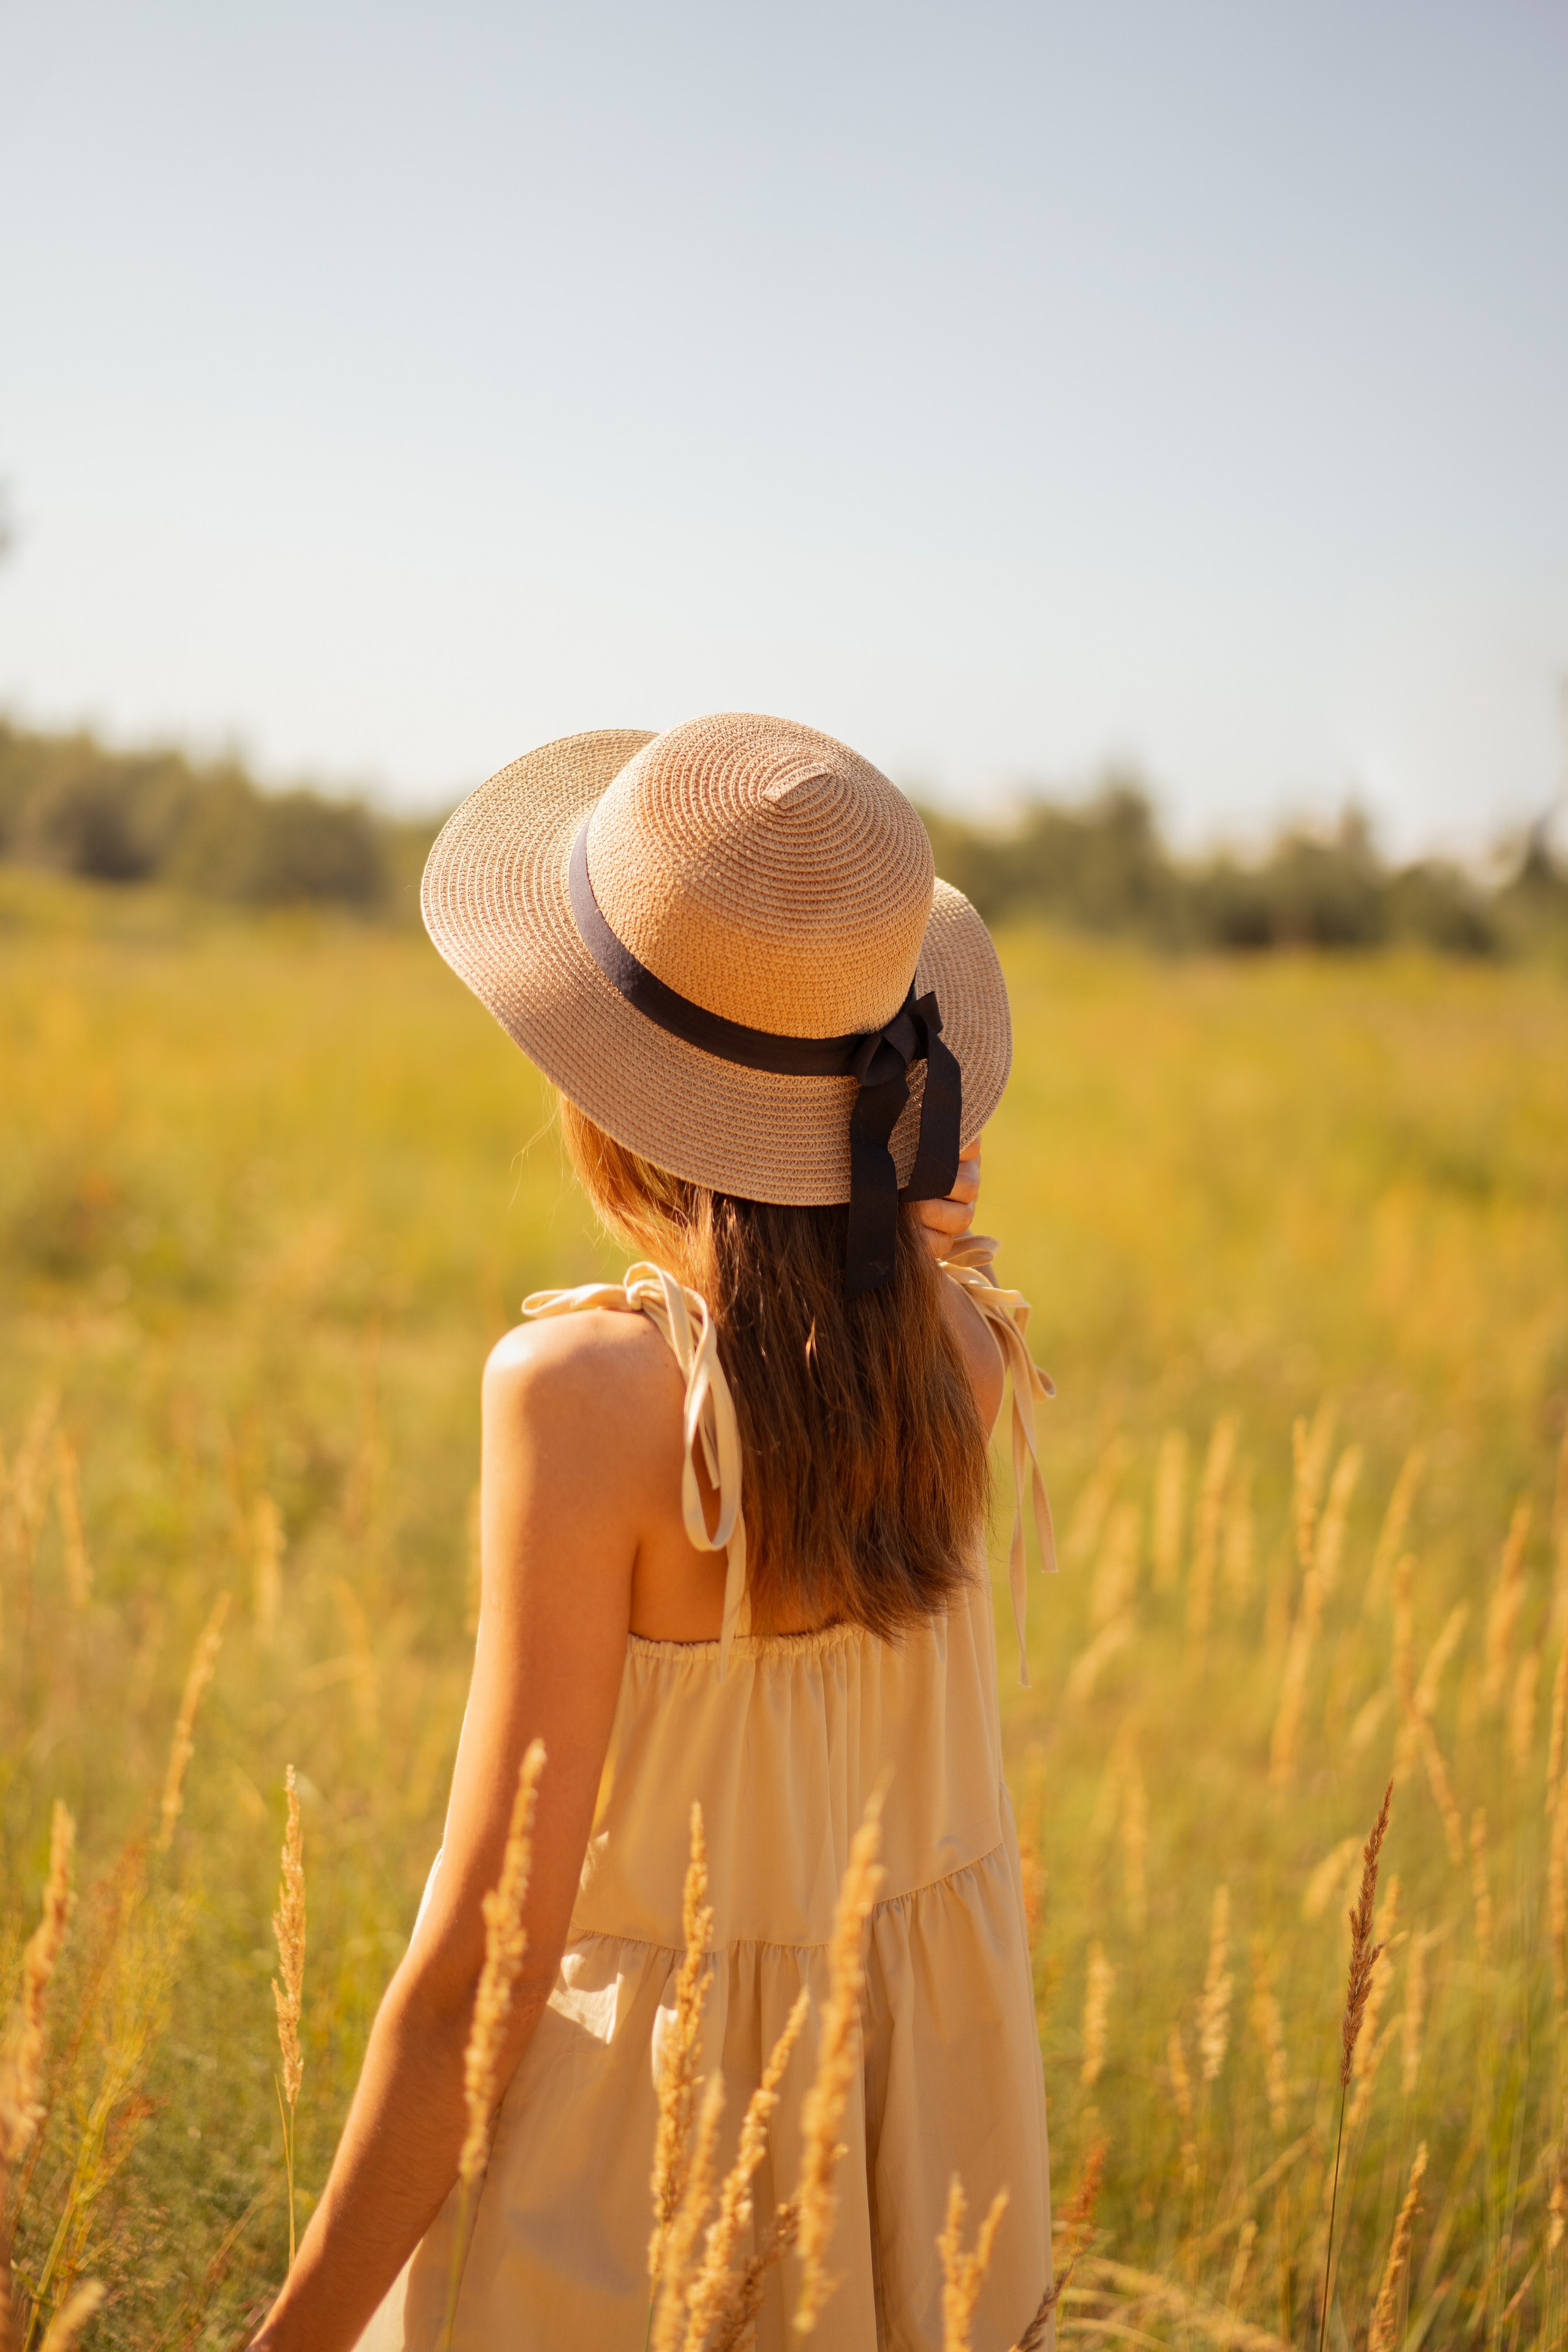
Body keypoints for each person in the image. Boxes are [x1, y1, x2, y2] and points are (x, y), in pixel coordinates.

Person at [251, 712, 1055, 2352]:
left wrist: (300, 2331)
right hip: (913, 2171)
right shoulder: (964, 1354)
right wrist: (906, 1231)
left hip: (634, 2190)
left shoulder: (587, 1400)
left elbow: (487, 1955)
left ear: (604, 1080)